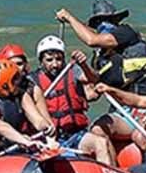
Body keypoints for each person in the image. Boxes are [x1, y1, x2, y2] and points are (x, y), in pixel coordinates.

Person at [57, 0, 146, 147]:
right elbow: (96, 83)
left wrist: (69, 18)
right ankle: (107, 167)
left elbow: (91, 40)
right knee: (98, 130)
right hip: (122, 110)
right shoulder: (100, 58)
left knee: (141, 137)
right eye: (99, 21)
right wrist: (83, 65)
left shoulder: (126, 33)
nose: (104, 24)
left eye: (108, 20)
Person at [30, 35, 116, 166]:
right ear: (41, 61)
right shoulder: (32, 81)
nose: (55, 64)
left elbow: (93, 79)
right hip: (48, 138)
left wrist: (83, 64)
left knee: (100, 142)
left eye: (59, 59)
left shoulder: (72, 71)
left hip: (75, 134)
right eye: (49, 60)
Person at [0, 59, 53, 136]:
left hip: (20, 140)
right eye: (15, 79)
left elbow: (36, 119)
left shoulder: (22, 95)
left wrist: (45, 127)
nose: (19, 81)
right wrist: (22, 139)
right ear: (4, 84)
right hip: (2, 144)